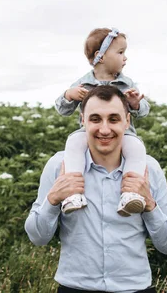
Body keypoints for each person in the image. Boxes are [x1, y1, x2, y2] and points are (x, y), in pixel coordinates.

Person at [26, 85, 167, 293]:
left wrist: (150, 205)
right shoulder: (59, 166)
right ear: (83, 120)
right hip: (75, 288)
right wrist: (53, 199)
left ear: (127, 121)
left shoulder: (148, 169)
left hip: (135, 289)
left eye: (114, 119)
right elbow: (37, 237)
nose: (105, 129)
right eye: (95, 119)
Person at [55, 28, 150, 215]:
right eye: (120, 52)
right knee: (73, 143)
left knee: (137, 148)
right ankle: (73, 193)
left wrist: (135, 104)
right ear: (101, 56)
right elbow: (62, 109)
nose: (125, 58)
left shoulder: (127, 84)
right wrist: (69, 95)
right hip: (90, 135)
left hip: (123, 134)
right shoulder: (82, 84)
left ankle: (131, 194)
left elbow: (144, 111)